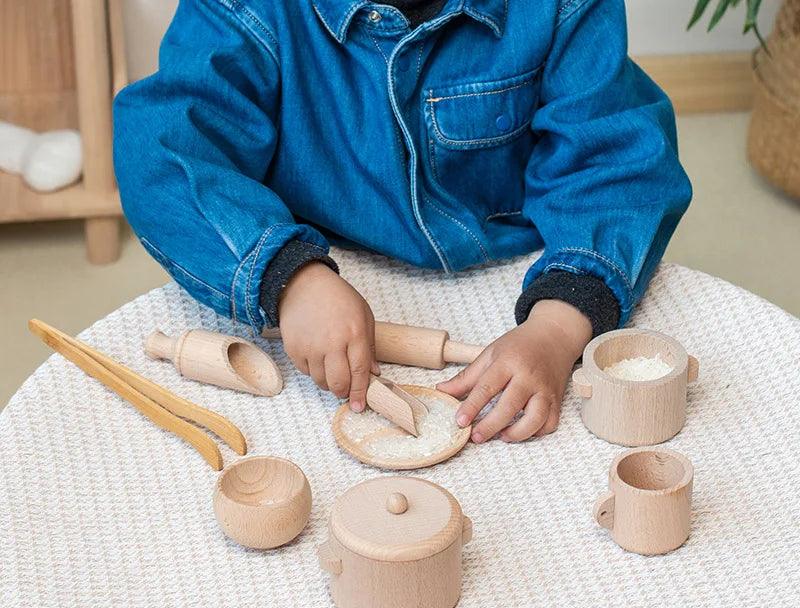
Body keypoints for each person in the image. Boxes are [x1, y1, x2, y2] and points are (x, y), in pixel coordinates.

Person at [114, 0, 691, 443]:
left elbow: (615, 165)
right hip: (325, 267)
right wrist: (290, 279)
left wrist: (558, 328)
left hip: (526, 272)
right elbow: (163, 149)